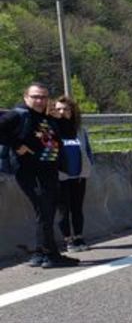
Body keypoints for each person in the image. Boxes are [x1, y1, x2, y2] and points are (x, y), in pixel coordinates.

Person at [0, 82, 78, 268]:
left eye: (43, 97)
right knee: (45, 210)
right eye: (35, 96)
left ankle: (39, 254)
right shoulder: (19, 115)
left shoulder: (46, 117)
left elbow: (69, 133)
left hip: (49, 171)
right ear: (26, 97)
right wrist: (16, 144)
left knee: (45, 212)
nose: (39, 100)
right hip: (29, 171)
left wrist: (63, 116)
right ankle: (50, 255)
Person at [53, 96, 94, 253]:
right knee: (64, 210)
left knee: (77, 208)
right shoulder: (52, 130)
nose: (62, 112)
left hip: (79, 175)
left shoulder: (80, 131)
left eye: (66, 109)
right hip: (60, 176)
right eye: (59, 109)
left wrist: (88, 167)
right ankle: (68, 240)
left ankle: (79, 237)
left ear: (73, 112)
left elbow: (88, 151)